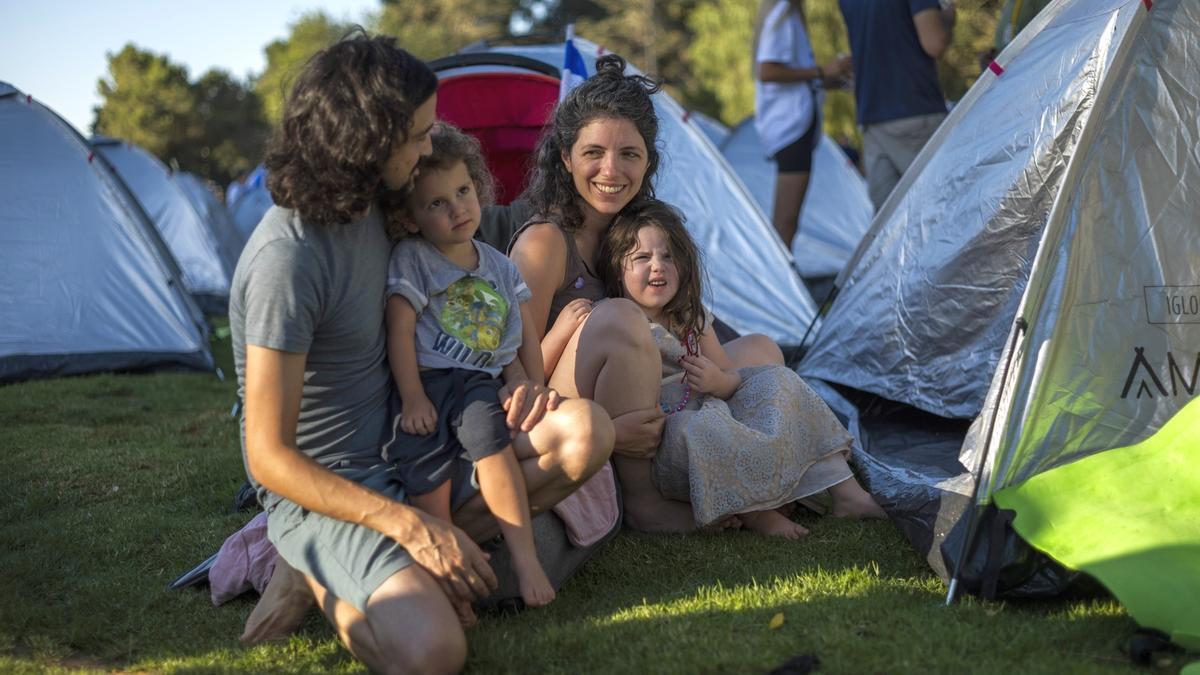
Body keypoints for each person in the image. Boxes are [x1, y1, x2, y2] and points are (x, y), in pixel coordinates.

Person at [230, 33, 613, 674]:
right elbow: (269, 457)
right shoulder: (287, 262)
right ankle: (310, 564)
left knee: (583, 432)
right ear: (367, 140)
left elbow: (476, 228)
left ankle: (403, 560)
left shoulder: (386, 209)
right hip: (336, 485)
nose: (429, 146)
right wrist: (408, 528)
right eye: (416, 134)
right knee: (434, 652)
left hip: (423, 442)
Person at [509, 54, 785, 534]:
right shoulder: (545, 242)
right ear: (565, 157)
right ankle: (643, 502)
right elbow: (517, 370)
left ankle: (768, 476)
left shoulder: (635, 231)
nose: (610, 170)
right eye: (593, 152)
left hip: (655, 385)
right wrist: (607, 431)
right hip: (565, 404)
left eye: (629, 154)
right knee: (619, 316)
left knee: (760, 348)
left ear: (648, 160)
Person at [597, 199, 886, 537]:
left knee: (780, 380)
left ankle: (846, 492)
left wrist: (718, 381)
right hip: (673, 436)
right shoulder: (621, 325)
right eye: (642, 258)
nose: (658, 267)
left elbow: (731, 379)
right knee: (699, 428)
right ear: (618, 268)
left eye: (668, 256)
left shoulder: (692, 317)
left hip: (714, 409)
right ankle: (758, 513)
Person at [383, 123, 554, 608]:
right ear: (411, 217)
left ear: (478, 187)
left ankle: (524, 559)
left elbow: (524, 334)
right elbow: (399, 330)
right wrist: (413, 396)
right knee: (428, 478)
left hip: (479, 384)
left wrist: (533, 383)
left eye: (463, 191)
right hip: (427, 384)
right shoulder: (414, 259)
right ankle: (447, 583)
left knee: (493, 451)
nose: (457, 207)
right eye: (437, 202)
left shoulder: (499, 263)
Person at [839, 0, 956, 210]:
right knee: (939, 208)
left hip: (871, 118)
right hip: (915, 111)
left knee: (889, 224)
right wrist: (947, 19)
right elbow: (934, 43)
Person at [753, 0, 852, 248]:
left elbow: (793, 76)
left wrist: (829, 79)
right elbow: (767, 71)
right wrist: (822, 71)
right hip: (791, 128)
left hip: (795, 127)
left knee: (788, 220)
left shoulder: (790, 15)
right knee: (786, 220)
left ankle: (781, 272)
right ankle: (777, 278)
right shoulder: (783, 15)